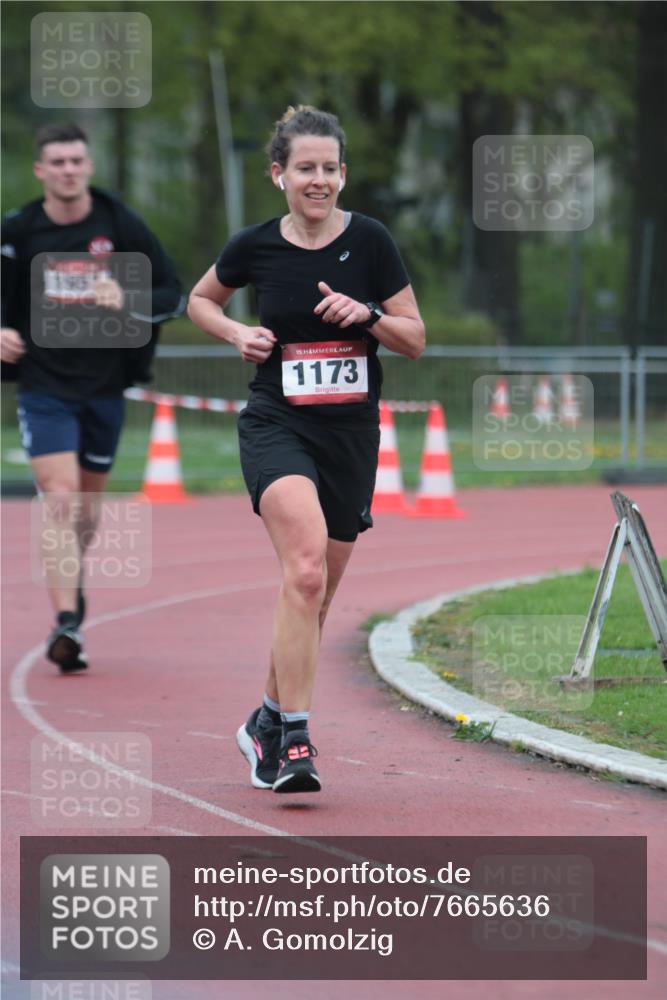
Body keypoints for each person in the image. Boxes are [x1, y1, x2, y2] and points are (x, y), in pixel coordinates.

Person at [188, 105, 424, 794]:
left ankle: (262, 718)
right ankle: (294, 740)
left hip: (349, 433)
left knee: (312, 596)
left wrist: (370, 316)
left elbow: (414, 337)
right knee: (306, 569)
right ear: (278, 175)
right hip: (276, 422)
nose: (317, 180)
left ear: (342, 175)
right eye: (304, 169)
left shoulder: (371, 242)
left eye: (328, 169)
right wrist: (236, 334)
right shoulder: (254, 245)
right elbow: (200, 300)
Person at [1, 123, 184, 673]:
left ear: (89, 166)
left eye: (76, 160)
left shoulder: (118, 224)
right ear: (41, 171)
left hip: (105, 387)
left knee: (84, 511)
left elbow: (172, 292)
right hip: (45, 387)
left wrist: (125, 295)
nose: (67, 170)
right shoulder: (19, 232)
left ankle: (70, 589)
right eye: (56, 162)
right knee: (58, 498)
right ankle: (66, 623)